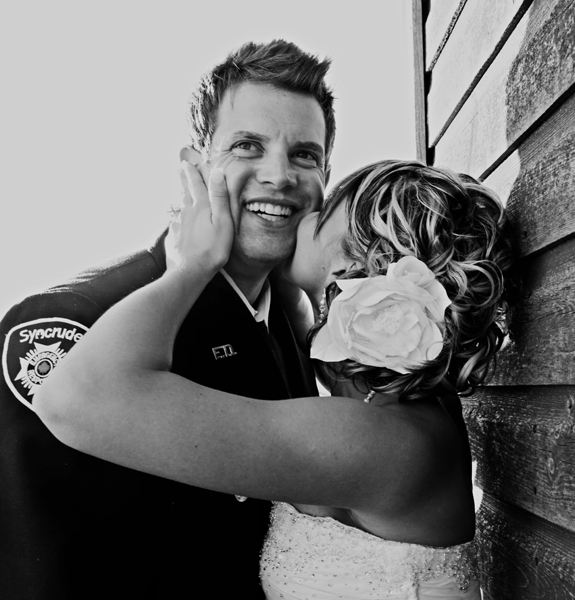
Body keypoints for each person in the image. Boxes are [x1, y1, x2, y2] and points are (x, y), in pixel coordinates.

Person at [35, 159, 513, 599]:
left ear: (353, 265)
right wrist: (290, 281)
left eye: (322, 215)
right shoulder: (409, 402)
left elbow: (78, 399)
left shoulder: (374, 444)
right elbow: (325, 354)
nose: (304, 212)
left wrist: (190, 266)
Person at [0, 40, 333, 598]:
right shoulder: (71, 318)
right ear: (196, 166)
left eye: (305, 155)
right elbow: (43, 565)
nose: (279, 176)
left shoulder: (292, 320)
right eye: (248, 145)